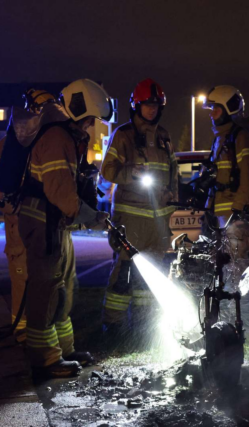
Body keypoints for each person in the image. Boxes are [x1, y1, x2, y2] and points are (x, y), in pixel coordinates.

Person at [18, 79, 111, 378]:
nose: (89, 126)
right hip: (43, 223)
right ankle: (44, 360)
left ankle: (63, 350)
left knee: (64, 287)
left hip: (55, 223)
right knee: (45, 290)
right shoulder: (57, 137)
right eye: (88, 120)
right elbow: (59, 191)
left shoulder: (67, 136)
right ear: (76, 109)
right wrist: (92, 216)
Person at [100, 78, 178, 336]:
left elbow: (172, 173)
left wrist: (172, 199)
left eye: (156, 105)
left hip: (158, 221)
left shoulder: (165, 136)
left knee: (151, 273)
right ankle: (113, 325)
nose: (152, 109)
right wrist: (131, 173)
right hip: (130, 219)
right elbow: (107, 170)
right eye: (147, 105)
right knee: (123, 272)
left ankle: (144, 327)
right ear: (136, 106)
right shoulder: (123, 135)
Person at [0, 89, 57, 343]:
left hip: (44, 220)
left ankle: (40, 326)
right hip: (20, 220)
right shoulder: (11, 142)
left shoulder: (49, 141)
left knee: (47, 275)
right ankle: (23, 329)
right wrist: (9, 207)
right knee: (22, 275)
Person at [202, 85, 249, 271]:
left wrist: (239, 207)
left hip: (235, 216)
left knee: (237, 266)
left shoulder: (241, 137)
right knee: (222, 268)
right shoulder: (220, 138)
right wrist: (207, 208)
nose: (212, 114)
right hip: (222, 214)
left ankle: (241, 301)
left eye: (216, 109)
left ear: (230, 109)